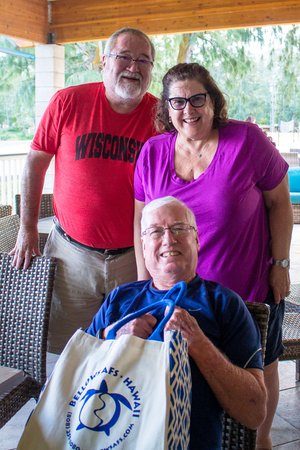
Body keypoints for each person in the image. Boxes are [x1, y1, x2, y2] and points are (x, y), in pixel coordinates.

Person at [133, 63, 293, 449]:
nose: (188, 109)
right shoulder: (153, 153)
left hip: (246, 288)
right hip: (177, 295)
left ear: (213, 100)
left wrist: (280, 264)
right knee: (194, 373)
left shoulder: (247, 141)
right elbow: (142, 224)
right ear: (167, 109)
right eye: (178, 101)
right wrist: (143, 287)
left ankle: (262, 440)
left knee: (258, 365)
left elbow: (280, 204)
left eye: (197, 98)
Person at [10, 27, 158, 354]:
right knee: (65, 353)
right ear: (103, 62)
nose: (133, 67)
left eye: (143, 60)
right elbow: (35, 162)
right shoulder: (68, 101)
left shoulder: (160, 115)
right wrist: (27, 228)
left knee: (129, 355)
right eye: (124, 57)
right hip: (70, 258)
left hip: (134, 260)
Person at [86, 196, 267, 450]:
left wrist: (199, 343)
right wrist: (114, 335)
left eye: (180, 228)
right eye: (156, 231)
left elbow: (254, 411)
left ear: (197, 240)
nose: (169, 239)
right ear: (144, 246)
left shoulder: (224, 304)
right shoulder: (120, 299)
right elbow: (78, 364)